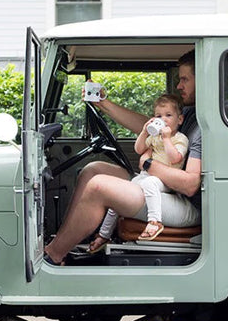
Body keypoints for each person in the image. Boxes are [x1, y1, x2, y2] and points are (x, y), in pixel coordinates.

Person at [43, 50, 201, 266]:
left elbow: (190, 185)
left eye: (184, 79)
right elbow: (148, 125)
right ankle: (67, 240)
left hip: (185, 204)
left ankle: (53, 255)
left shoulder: (203, 125)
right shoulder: (191, 113)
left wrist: (148, 164)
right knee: (93, 170)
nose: (179, 86)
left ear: (201, 79)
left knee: (99, 186)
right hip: (163, 187)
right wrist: (104, 104)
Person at [90, 93, 189, 251]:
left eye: (168, 115)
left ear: (180, 120)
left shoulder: (180, 138)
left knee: (150, 183)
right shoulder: (155, 137)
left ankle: (154, 222)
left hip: (167, 181)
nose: (163, 120)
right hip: (147, 175)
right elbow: (139, 149)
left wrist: (166, 139)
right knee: (119, 194)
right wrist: (144, 132)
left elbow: (175, 158)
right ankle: (104, 235)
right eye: (159, 116)